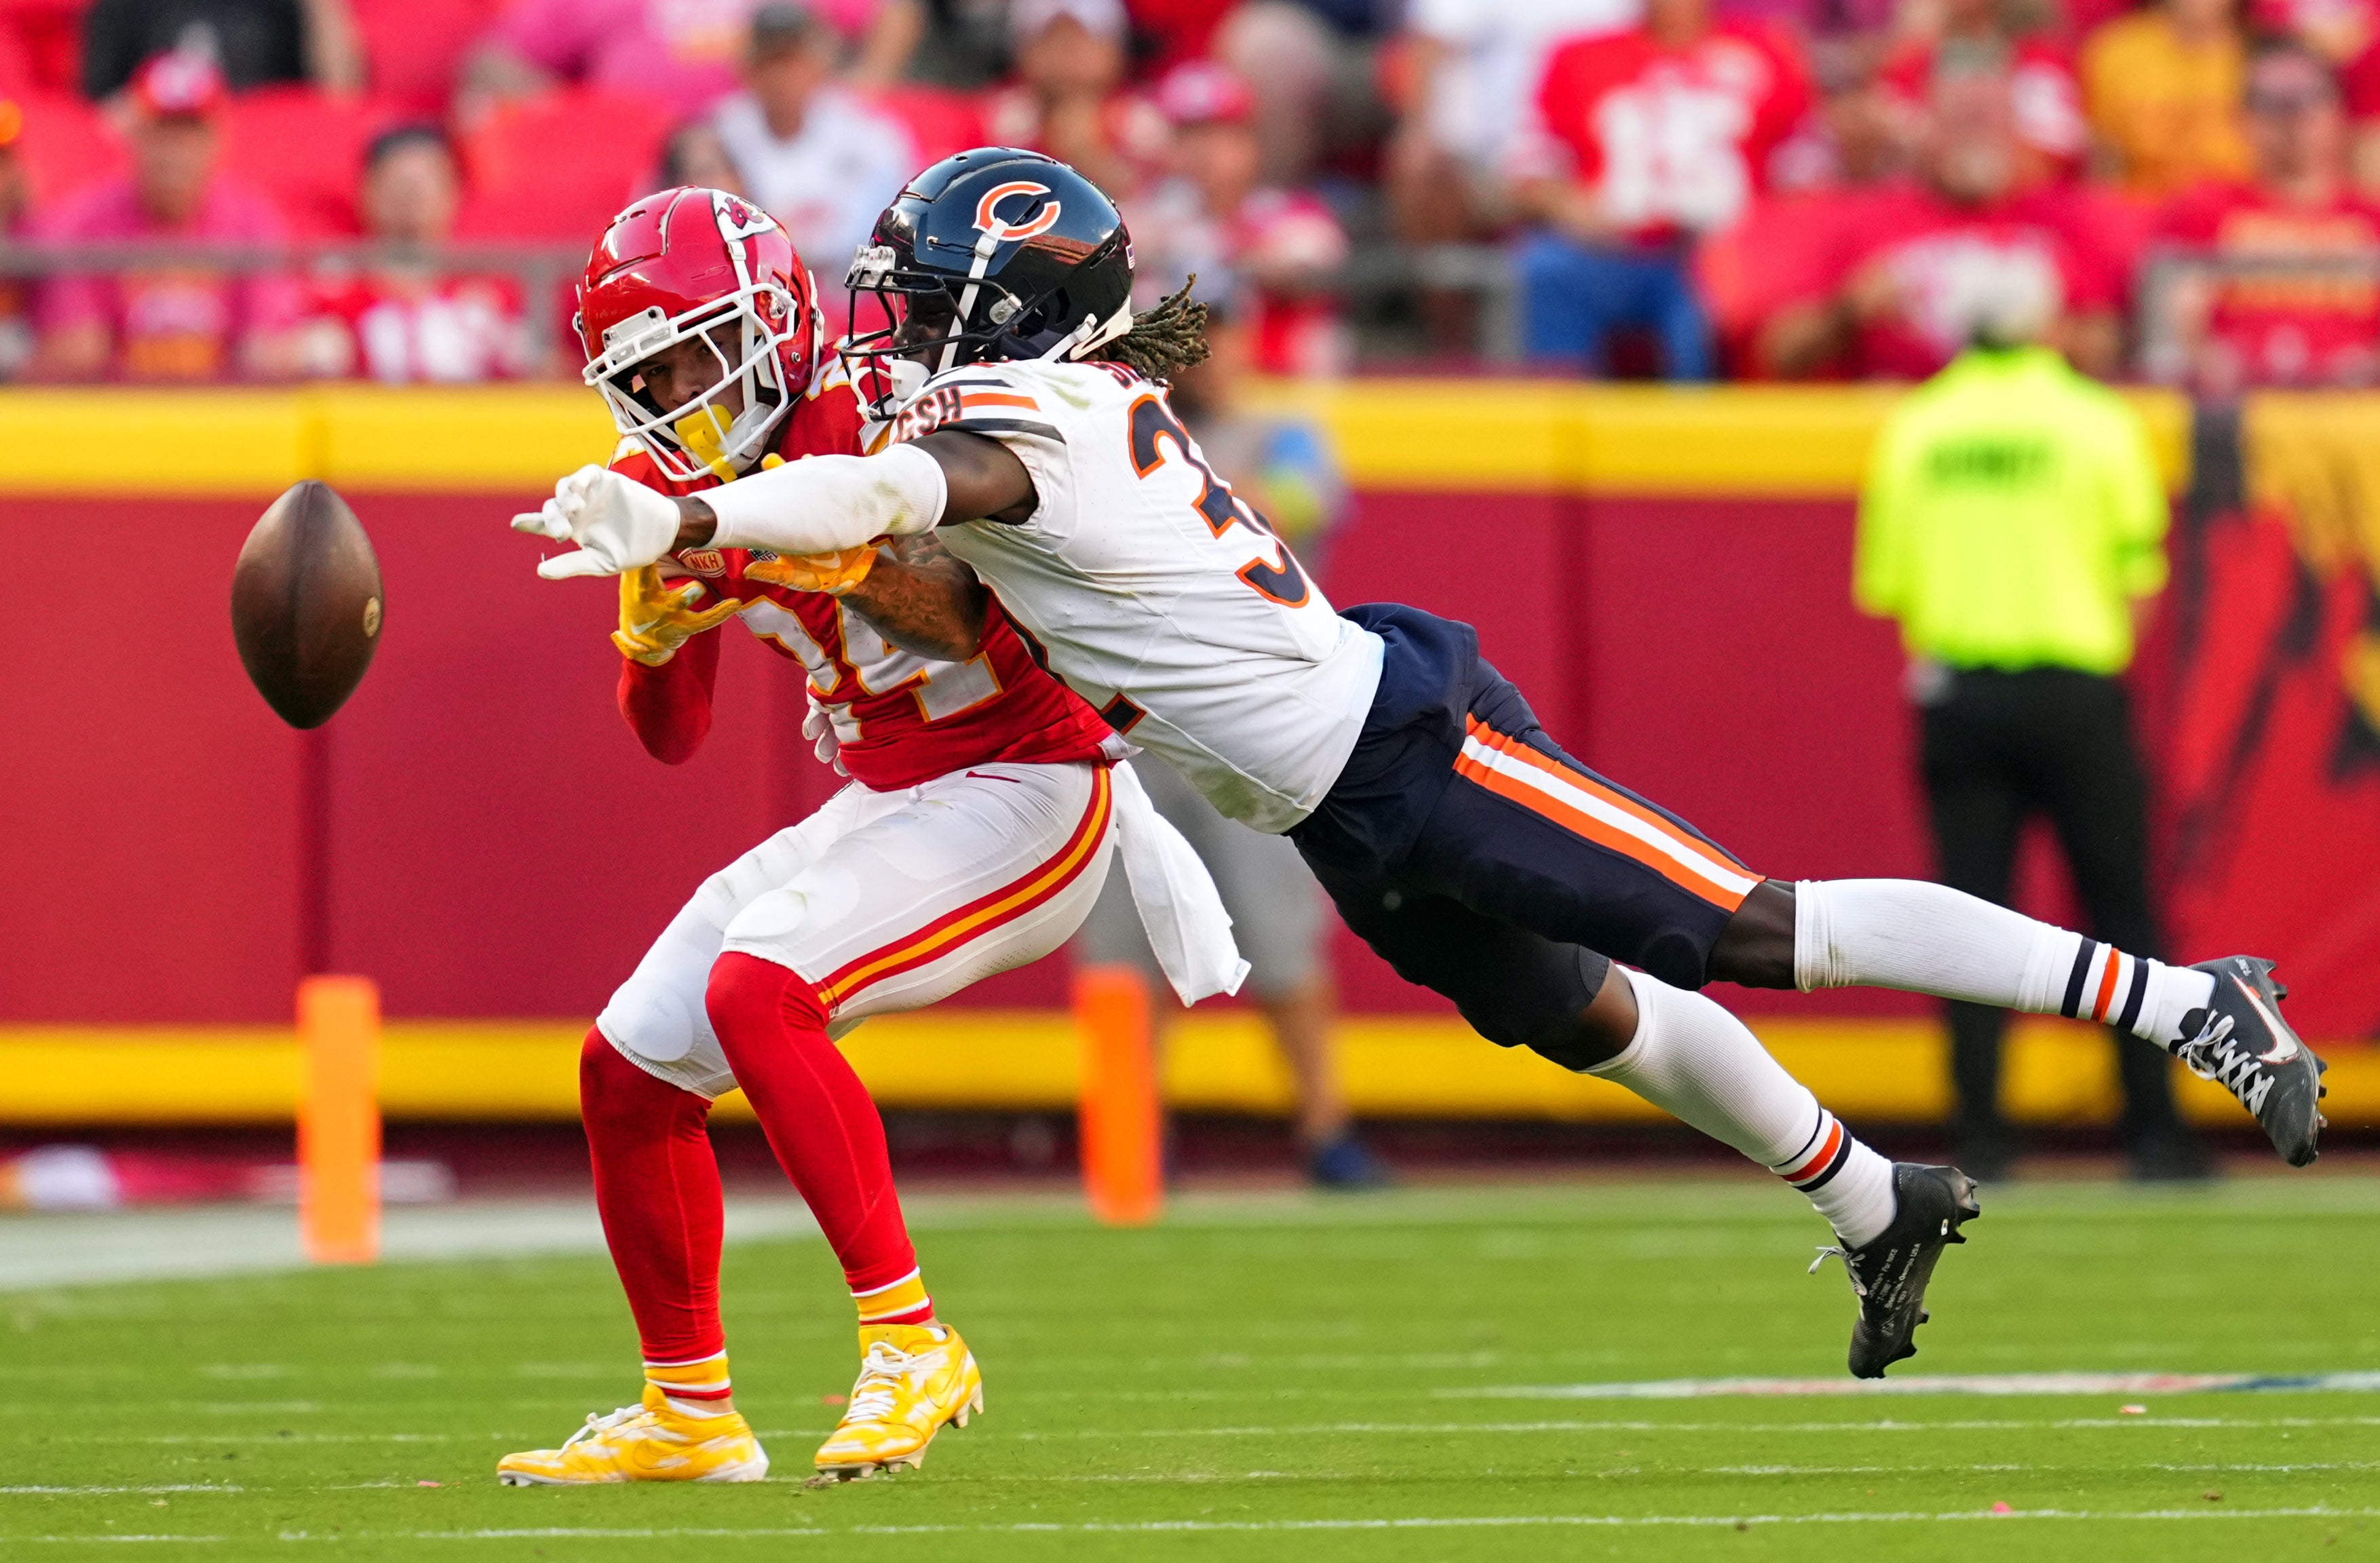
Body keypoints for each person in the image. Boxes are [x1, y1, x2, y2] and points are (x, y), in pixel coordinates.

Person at [516, 149, 2329, 1383]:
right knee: (1584, 1017)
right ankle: (1874, 1203)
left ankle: (2187, 1001)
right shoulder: (1012, 404)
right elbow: (892, 557)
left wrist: (689, 509)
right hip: (1327, 803)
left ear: (998, 309)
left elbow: (879, 501)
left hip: (1400, 745)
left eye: (915, 296)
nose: (884, 323)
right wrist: (700, 550)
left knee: (1741, 924)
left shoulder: (1023, 419)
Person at [497, 186, 1242, 1486]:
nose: (672, 397)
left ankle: (910, 1338)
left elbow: (970, 623)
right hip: (893, 791)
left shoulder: (896, 411)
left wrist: (750, 553)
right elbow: (669, 735)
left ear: (773, 326)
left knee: (760, 986)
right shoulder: (659, 478)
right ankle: (688, 1409)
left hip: (1031, 778)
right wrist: (656, 627)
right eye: (646, 375)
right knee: (629, 1068)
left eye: (690, 356)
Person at [1856, 279, 2210, 1182]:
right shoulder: (2097, 421)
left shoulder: (1918, 426)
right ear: (2052, 325)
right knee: (2122, 913)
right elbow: (2141, 563)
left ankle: (1980, 1136)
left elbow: (1887, 581)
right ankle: (2157, 1135)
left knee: (1964, 923)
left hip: (1961, 692)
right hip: (2076, 692)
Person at [1070, 302, 1383, 1189]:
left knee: (1281, 936)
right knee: (1123, 949)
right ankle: (1133, 1142)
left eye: (1217, 332)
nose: (1201, 353)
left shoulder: (1280, 434)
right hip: (1133, 726)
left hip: (1247, 723)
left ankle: (1327, 1130)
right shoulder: (1110, 433)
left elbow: (1300, 506)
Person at [1755, 45, 2124, 381]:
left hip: (2025, 420)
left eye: (1987, 117)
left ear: (2013, 124)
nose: (1975, 135)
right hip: (1898, 418)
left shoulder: (2060, 217)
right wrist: (1847, 312)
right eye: (1961, 118)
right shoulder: (1865, 217)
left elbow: (2108, 346)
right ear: (1926, 123)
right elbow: (1779, 355)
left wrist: (2057, 336)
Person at [1505, 0, 1814, 377]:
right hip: (1611, 247)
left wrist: (1759, 227)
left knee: (1707, 312)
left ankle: (1694, 429)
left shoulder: (1765, 51)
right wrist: (1570, 206)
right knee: (1548, 268)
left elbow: (1807, 165)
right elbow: (1530, 162)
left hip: (1724, 250)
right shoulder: (1578, 54)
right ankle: (1558, 419)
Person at [33, 51, 303, 381]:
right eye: (161, 131)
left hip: (224, 416)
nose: (174, 152)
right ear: (135, 136)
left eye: (189, 133)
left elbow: (270, 350)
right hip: (120, 417)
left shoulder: (253, 221)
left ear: (217, 141)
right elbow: (76, 354)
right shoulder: (85, 222)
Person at [2155, 40, 2380, 391]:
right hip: (2230, 415)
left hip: (2353, 416)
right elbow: (2169, 329)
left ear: (2339, 112)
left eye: (2308, 99)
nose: (2291, 119)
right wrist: (2199, 354)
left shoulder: (2372, 220)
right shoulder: (2203, 211)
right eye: (2271, 104)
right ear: (2242, 118)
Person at [1134, 60, 1348, 378]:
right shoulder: (1144, 216)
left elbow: (1318, 260)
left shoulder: (1290, 213)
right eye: (1189, 135)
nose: (1203, 151)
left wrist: (1224, 249)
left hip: (1281, 393)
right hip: (1173, 393)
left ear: (1251, 144)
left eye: (1219, 134)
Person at [711, 2, 918, 305]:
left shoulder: (868, 133)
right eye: (770, 63)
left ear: (820, 63)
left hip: (852, 299)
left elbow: (891, 236)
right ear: (749, 70)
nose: (782, 77)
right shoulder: (718, 133)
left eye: (794, 61)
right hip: (751, 295)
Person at [296, 125, 536, 383]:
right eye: (399, 181)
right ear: (366, 191)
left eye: (426, 180)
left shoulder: (490, 295)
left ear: (454, 193)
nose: (412, 194)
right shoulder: (328, 292)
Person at [461, 0, 924, 123]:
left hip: (775, 147)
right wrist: (575, 114)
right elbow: (492, 60)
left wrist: (867, 83)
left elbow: (895, 14)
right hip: (645, 162)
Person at [982, 0, 1168, 201]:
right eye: (1048, 39)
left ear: (1116, 50)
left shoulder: (1147, 122)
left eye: (1083, 39)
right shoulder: (994, 121)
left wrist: (1091, 157)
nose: (1066, 55)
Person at [2081, 0, 2252, 197]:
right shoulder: (2115, 52)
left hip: (2239, 214)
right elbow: (2105, 165)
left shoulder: (2266, 57)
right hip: (2145, 214)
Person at [81, 0, 363, 98]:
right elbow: (98, 106)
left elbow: (340, 95)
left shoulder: (280, 8)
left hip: (259, 155)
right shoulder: (126, 8)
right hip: (165, 147)